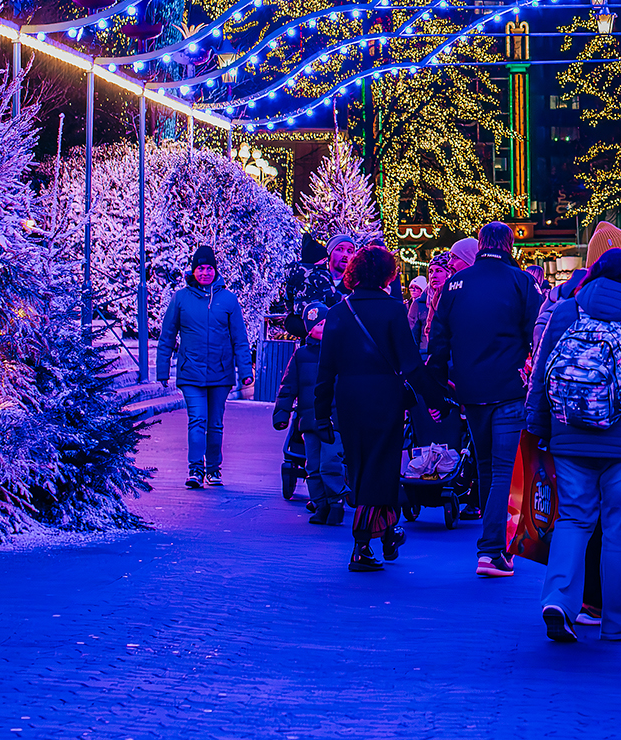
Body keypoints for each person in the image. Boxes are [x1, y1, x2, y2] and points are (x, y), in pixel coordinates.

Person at [527, 247, 621, 643]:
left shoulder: (567, 311)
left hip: (570, 436)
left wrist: (538, 427)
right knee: (620, 529)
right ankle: (618, 621)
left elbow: (543, 375)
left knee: (573, 519)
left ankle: (558, 599)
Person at [428, 220, 542, 578]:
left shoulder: (455, 284)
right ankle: (492, 550)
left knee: (486, 466)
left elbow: (438, 340)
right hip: (508, 387)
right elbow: (535, 334)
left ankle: (491, 546)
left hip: (469, 391)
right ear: (510, 245)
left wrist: (440, 389)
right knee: (504, 470)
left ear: (480, 245)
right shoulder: (522, 282)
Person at [316, 245, 431, 572]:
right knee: (382, 467)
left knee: (362, 467)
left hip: (348, 397)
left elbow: (325, 370)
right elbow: (411, 364)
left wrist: (321, 414)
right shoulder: (395, 310)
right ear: (387, 273)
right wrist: (437, 401)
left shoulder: (338, 312)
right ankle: (363, 540)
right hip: (385, 396)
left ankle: (385, 531)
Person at [156, 245, 252, 490]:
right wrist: (162, 370)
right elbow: (167, 336)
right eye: (201, 268)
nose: (206, 273)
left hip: (221, 373)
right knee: (197, 419)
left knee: (215, 423)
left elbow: (239, 339)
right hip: (191, 372)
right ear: (194, 271)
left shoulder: (228, 299)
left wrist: (246, 372)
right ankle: (195, 469)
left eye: (210, 268)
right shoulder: (181, 298)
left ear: (216, 270)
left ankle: (214, 469)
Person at [271, 302, 350, 524]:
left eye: (326, 322)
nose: (323, 327)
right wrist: (281, 414)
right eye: (318, 324)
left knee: (330, 462)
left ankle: (336, 502)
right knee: (312, 466)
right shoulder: (301, 355)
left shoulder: (341, 353)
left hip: (334, 420)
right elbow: (288, 388)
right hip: (309, 420)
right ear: (309, 328)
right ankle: (321, 503)